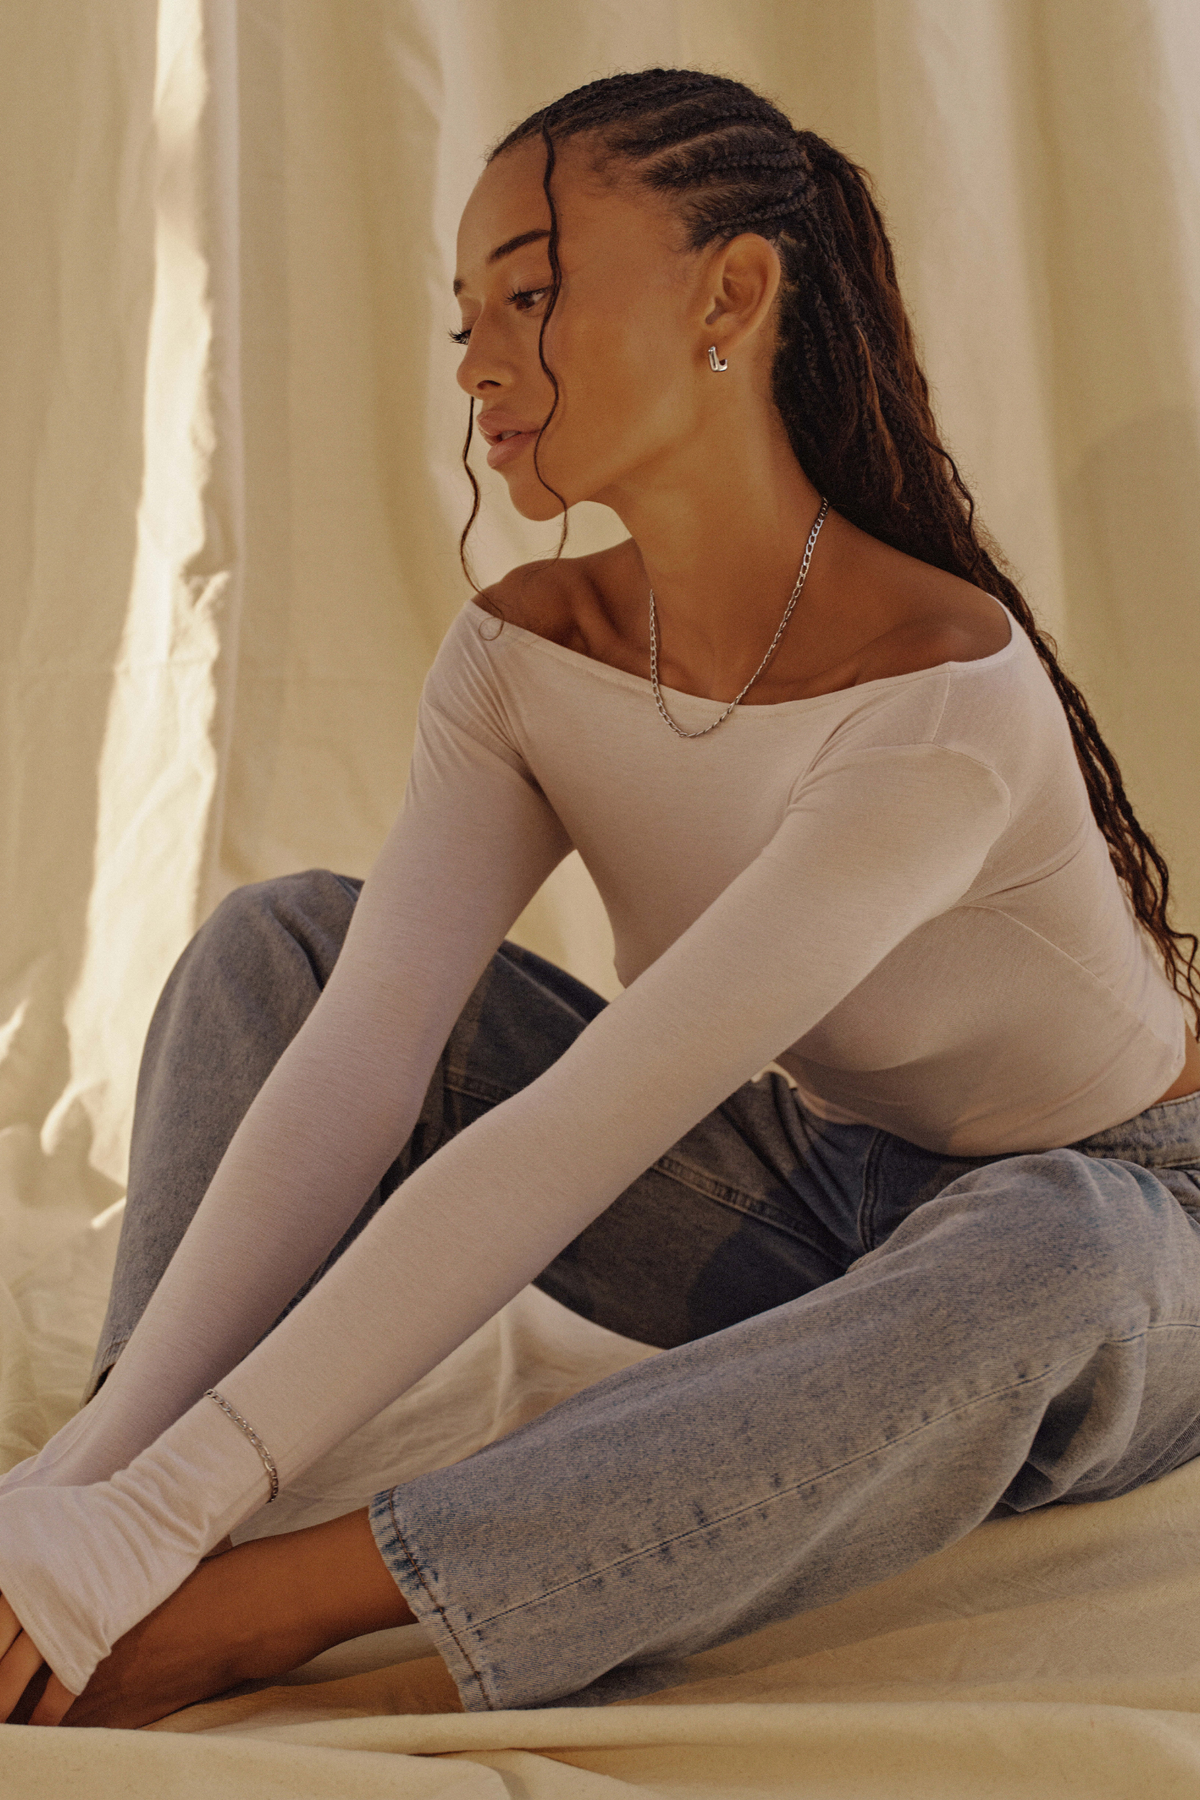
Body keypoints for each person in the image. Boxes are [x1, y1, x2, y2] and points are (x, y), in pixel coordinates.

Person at [3, 65, 1200, 1730]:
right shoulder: (529, 654)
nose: (480, 360)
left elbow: (585, 1131)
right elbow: (360, 1064)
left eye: (535, 294)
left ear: (732, 296)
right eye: (466, 316)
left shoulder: (935, 696)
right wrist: (104, 1482)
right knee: (281, 945)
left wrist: (171, 1525)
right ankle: (92, 1517)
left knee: (1054, 1250)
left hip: (1120, 1225)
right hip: (818, 1195)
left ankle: (252, 1606)